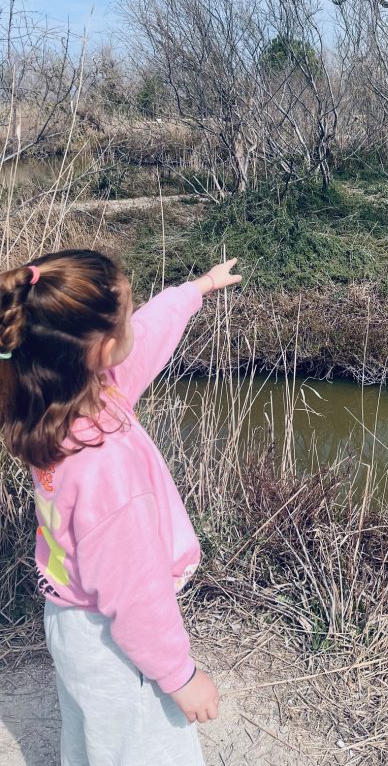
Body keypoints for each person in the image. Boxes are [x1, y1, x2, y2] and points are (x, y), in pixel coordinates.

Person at [0, 249, 242, 765]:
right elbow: (135, 594)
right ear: (103, 349)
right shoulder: (104, 466)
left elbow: (147, 339)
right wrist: (181, 677)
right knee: (145, 749)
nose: (135, 322)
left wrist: (195, 289)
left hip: (70, 619)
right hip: (113, 639)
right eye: (126, 315)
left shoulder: (52, 404)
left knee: (95, 740)